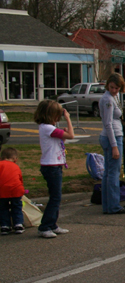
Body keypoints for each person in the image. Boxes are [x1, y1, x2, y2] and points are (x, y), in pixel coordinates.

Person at [35, 100, 74, 238]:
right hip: (51, 166)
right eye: (57, 115)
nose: (59, 118)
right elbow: (71, 135)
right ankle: (44, 226)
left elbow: (63, 138)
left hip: (55, 165)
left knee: (56, 197)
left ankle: (52, 224)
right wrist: (68, 118)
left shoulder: (48, 128)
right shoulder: (47, 128)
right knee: (55, 197)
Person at [100, 73, 125, 215]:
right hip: (112, 137)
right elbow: (108, 124)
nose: (114, 90)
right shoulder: (108, 100)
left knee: (108, 172)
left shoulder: (113, 97)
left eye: (117, 88)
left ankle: (108, 205)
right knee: (113, 173)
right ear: (108, 85)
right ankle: (113, 205)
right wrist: (114, 146)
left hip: (114, 135)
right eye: (112, 87)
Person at [0, 147, 25, 235]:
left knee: (3, 208)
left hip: (2, 191)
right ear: (15, 159)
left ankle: (5, 226)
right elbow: (19, 179)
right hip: (16, 190)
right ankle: (18, 224)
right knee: (17, 207)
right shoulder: (15, 166)